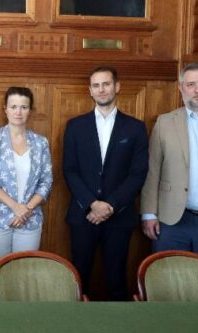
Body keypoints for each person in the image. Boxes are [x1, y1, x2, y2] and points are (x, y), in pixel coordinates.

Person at [141, 62, 198, 274]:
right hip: (171, 220)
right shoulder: (165, 123)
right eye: (191, 84)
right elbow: (152, 171)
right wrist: (148, 213)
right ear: (181, 88)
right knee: (170, 282)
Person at [63, 66, 148, 300]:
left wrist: (110, 205)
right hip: (83, 215)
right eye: (96, 85)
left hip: (119, 216)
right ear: (90, 90)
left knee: (116, 281)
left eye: (106, 84)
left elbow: (138, 173)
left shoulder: (135, 128)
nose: (101, 90)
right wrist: (92, 204)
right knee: (78, 280)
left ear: (117, 87)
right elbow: (69, 169)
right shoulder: (75, 126)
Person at [0, 87, 53, 269]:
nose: (18, 112)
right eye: (13, 107)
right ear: (5, 109)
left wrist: (26, 209)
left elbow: (47, 181)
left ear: (30, 110)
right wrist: (15, 207)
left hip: (30, 218)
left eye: (23, 107)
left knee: (24, 273)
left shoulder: (41, 142)